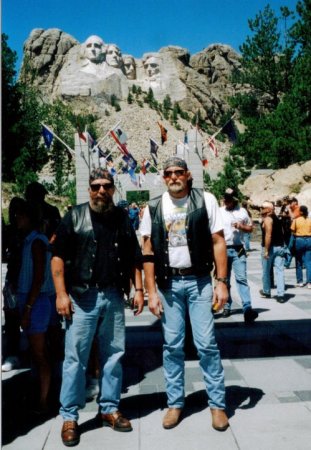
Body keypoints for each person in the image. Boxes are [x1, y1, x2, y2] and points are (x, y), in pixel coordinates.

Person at [51, 168, 144, 447]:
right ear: (89, 189)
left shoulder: (122, 219)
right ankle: (69, 416)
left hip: (113, 295)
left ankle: (109, 409)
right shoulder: (74, 216)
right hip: (82, 297)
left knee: (114, 355)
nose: (101, 191)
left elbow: (133, 257)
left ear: (114, 189)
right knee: (75, 359)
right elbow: (56, 259)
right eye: (95, 186)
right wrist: (61, 294)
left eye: (106, 186)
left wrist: (138, 289)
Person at [140, 156, 229, 432]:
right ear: (163, 177)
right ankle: (175, 403)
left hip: (200, 281)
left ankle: (217, 405)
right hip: (168, 285)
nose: (174, 177)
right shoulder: (153, 207)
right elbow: (147, 250)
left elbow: (218, 241)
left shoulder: (206, 200)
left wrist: (222, 282)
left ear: (188, 175)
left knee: (206, 344)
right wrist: (150, 291)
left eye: (179, 172)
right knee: (172, 346)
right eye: (169, 173)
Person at [13, 199, 57, 413]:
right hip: (30, 301)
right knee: (37, 352)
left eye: (20, 216)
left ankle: (44, 399)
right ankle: (40, 394)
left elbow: (38, 278)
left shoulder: (37, 242)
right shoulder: (29, 241)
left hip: (36, 302)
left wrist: (28, 309)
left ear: (29, 218)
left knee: (40, 354)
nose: (16, 219)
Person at [220, 189, 258, 323]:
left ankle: (247, 308)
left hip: (238, 249)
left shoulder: (242, 212)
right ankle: (226, 305)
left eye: (230, 199)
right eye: (226, 199)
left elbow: (251, 228)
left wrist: (241, 226)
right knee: (224, 279)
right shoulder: (219, 212)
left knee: (241, 278)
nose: (227, 201)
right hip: (223, 249)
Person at [259, 201, 286, 303]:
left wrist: (266, 250)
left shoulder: (268, 219)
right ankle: (281, 294)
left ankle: (266, 291)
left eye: (264, 208)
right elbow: (282, 232)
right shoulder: (277, 219)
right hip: (280, 247)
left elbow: (268, 235)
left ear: (269, 209)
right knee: (280, 271)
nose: (262, 209)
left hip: (270, 248)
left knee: (266, 270)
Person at [290, 205, 311, 288]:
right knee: (309, 262)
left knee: (298, 262)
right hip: (309, 240)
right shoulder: (310, 220)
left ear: (301, 212)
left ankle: (300, 281)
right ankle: (309, 282)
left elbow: (292, 231)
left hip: (299, 240)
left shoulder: (296, 220)